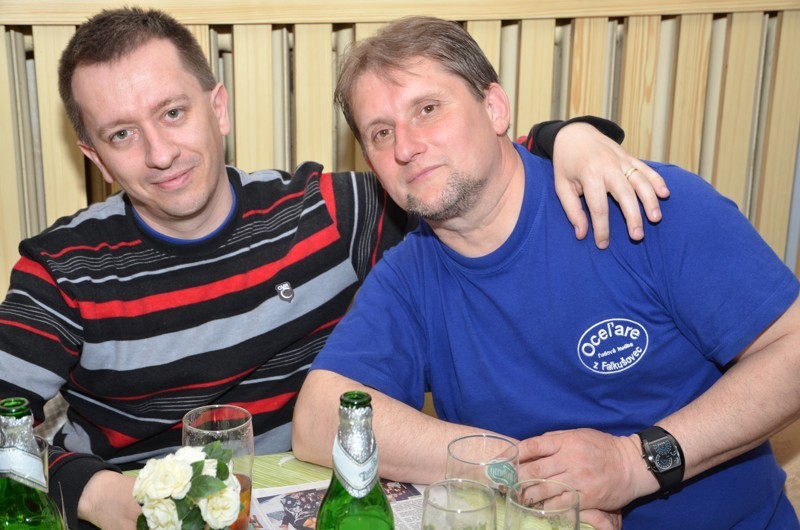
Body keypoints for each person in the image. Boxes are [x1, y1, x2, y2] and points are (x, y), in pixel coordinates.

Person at [0, 7, 665, 529]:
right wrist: (91, 491)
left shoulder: (327, 215)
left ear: (218, 107)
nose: (160, 152)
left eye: (173, 113)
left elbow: (463, 167)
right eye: (121, 134)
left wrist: (564, 137)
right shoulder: (63, 269)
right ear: (94, 155)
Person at [291, 15, 800, 530]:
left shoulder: (639, 202)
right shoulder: (408, 275)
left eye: (427, 109)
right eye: (381, 133)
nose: (405, 147)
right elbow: (317, 420)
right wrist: (525, 474)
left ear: (495, 107)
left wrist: (633, 463)